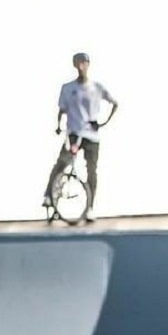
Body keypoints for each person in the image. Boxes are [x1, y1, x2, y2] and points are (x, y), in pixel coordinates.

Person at [43, 52, 118, 221]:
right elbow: (61, 110)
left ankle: (90, 207)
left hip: (91, 135)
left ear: (88, 64)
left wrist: (104, 122)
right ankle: (49, 195)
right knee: (62, 162)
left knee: (92, 170)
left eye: (84, 63)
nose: (81, 66)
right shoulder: (68, 88)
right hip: (74, 133)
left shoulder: (97, 87)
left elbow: (115, 103)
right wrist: (58, 126)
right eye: (78, 63)